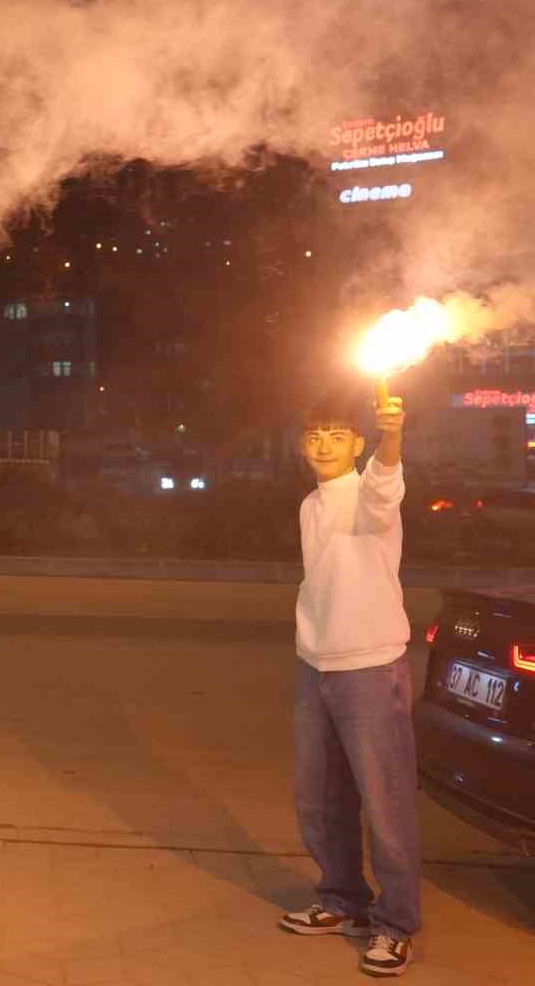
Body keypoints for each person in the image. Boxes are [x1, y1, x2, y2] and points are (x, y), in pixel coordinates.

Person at [278, 391, 420, 978]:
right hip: (317, 665)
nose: (324, 444)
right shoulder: (312, 503)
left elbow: (387, 484)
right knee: (319, 797)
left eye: (337, 434)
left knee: (384, 805)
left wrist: (394, 435)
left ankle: (396, 924)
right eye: (314, 436)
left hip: (370, 666)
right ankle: (342, 900)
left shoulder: (371, 491)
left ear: (358, 444)